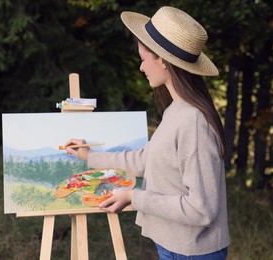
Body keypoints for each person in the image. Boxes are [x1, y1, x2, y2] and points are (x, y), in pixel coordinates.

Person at [64, 6, 229, 260]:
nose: (141, 67)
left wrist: (134, 197)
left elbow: (201, 209)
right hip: (176, 247)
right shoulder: (178, 111)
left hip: (191, 253)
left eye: (143, 58)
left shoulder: (193, 122)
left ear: (162, 60)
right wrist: (90, 156)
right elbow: (146, 158)